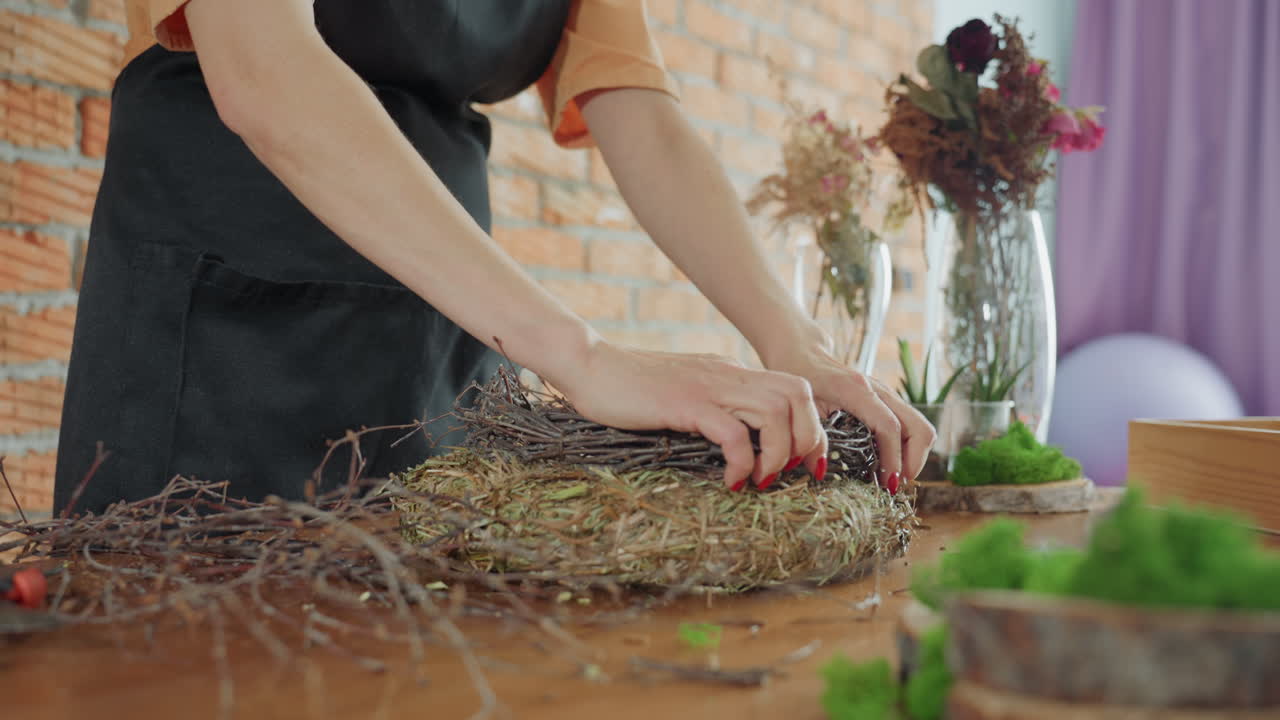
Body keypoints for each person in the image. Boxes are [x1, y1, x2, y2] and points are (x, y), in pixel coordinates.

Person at [53, 0, 934, 515]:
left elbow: (642, 114)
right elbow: (261, 65)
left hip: (448, 309)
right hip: (217, 309)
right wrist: (580, 355)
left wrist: (797, 346)